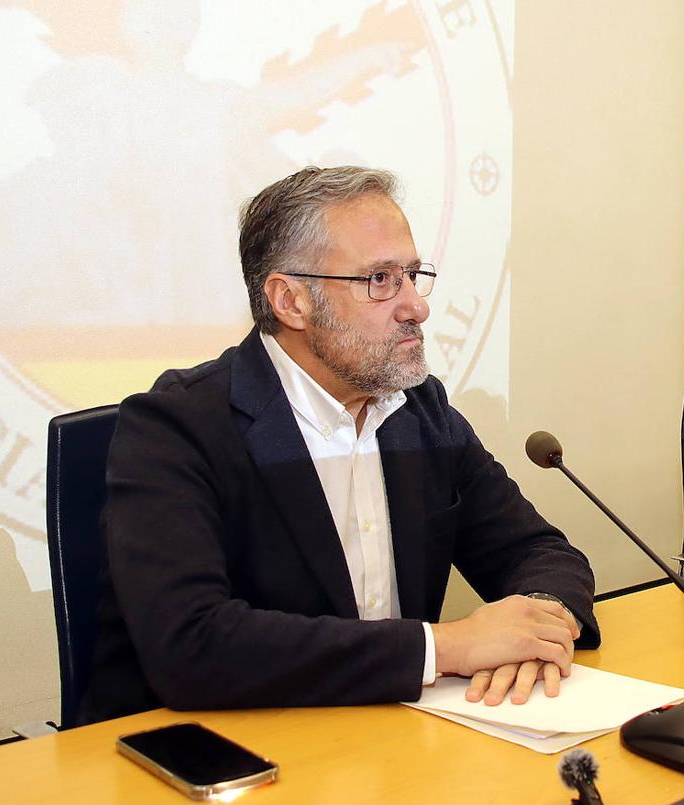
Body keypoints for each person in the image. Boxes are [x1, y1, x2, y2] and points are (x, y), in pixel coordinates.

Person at [79, 166, 599, 725]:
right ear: (291, 301)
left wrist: (539, 622)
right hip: (201, 757)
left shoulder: (420, 412)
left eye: (412, 275)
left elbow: (540, 553)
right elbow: (191, 645)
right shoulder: (176, 427)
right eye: (380, 280)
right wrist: (445, 648)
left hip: (383, 741)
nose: (416, 306)